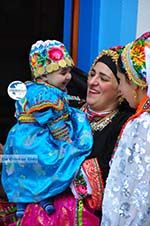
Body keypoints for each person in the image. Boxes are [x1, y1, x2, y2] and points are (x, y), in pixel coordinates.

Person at [19, 46, 135, 226]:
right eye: (92, 74)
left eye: (103, 78)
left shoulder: (124, 127)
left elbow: (109, 179)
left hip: (78, 213)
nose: (93, 82)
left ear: (121, 88)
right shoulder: (67, 110)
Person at [1, 40, 93, 220]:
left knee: (22, 170)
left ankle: (22, 202)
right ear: (43, 76)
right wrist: (65, 142)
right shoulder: (47, 94)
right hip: (36, 139)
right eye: (63, 73)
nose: (69, 77)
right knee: (46, 165)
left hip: (17, 138)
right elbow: (54, 122)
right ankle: (43, 196)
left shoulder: (28, 88)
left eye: (69, 72)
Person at [101, 34, 150, 226]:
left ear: (138, 83)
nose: (120, 89)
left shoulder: (141, 125)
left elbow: (127, 201)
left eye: (120, 80)